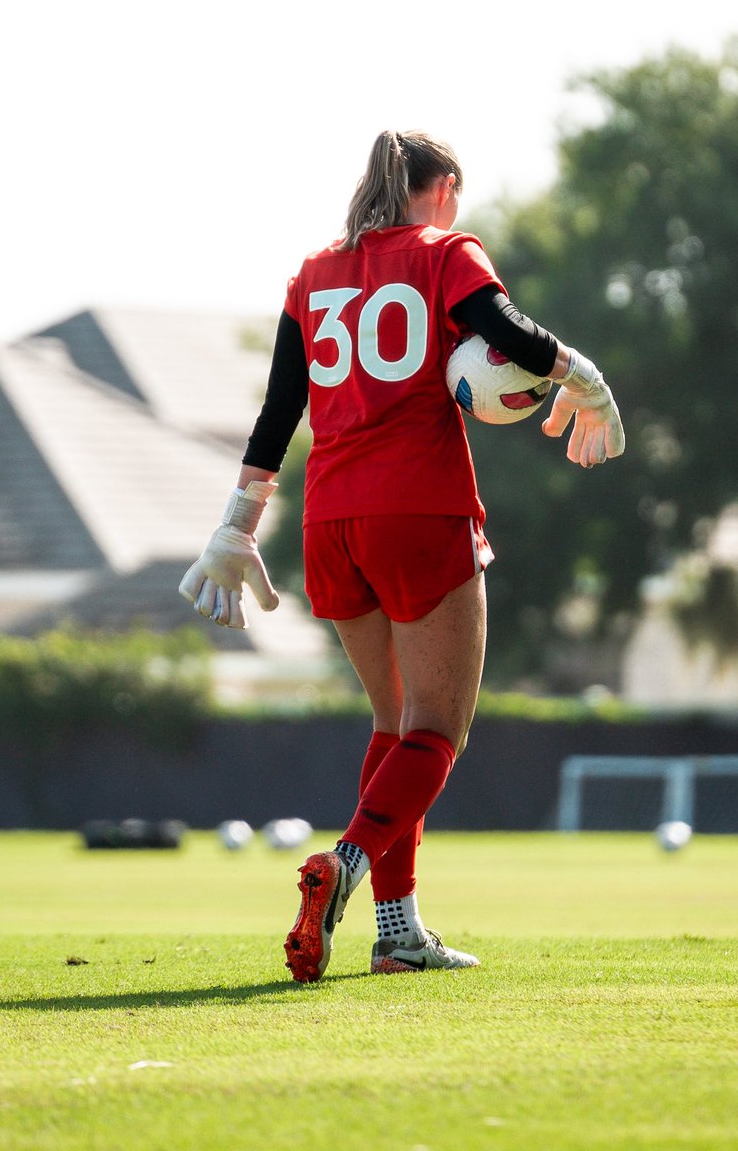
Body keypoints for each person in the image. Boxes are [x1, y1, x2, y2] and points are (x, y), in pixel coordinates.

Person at [180, 130, 624, 982]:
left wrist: (236, 526)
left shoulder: (313, 273)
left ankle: (398, 934)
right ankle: (345, 863)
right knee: (437, 733)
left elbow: (279, 411)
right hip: (419, 508)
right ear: (444, 186)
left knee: (394, 726)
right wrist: (584, 377)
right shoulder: (446, 251)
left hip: (329, 521)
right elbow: (508, 332)